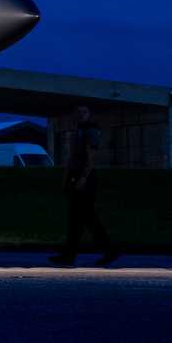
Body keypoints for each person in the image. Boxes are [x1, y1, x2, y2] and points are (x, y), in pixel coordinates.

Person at [50, 107, 116, 267]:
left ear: (89, 114)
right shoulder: (77, 131)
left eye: (84, 112)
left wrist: (83, 178)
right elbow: (72, 157)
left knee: (85, 216)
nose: (80, 115)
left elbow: (91, 156)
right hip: (76, 176)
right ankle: (69, 255)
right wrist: (66, 179)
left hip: (83, 177)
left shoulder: (90, 131)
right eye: (77, 112)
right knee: (77, 218)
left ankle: (108, 250)